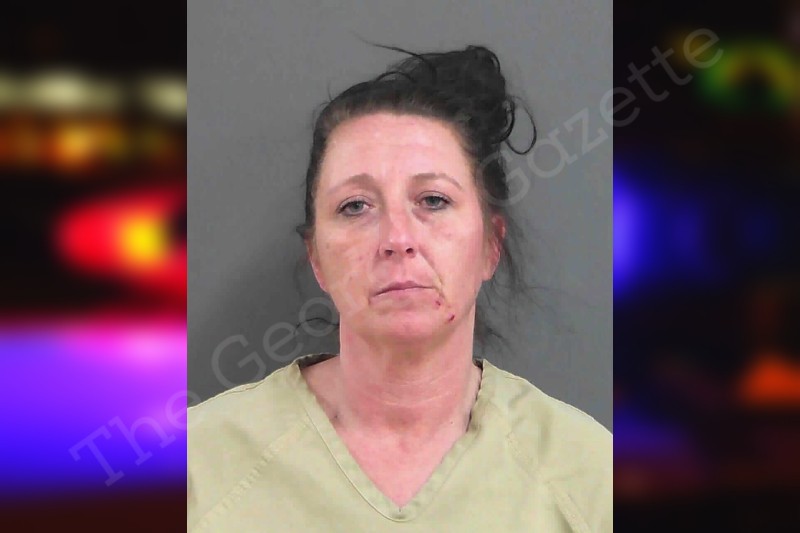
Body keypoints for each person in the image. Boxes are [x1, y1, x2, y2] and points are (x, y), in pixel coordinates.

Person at [188, 43, 611, 532]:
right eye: (355, 206)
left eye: (433, 200)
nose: (397, 239)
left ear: (490, 245)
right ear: (317, 259)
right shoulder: (198, 468)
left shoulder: (589, 476)